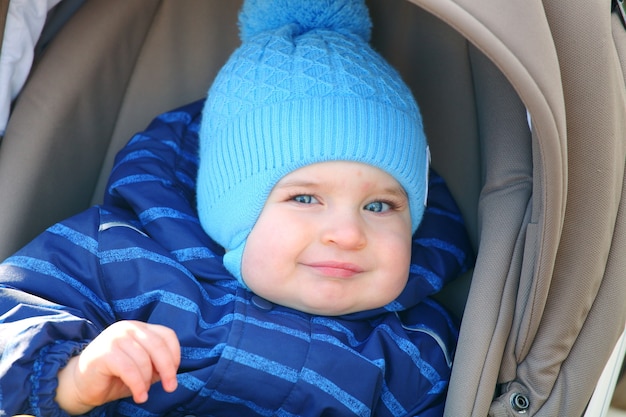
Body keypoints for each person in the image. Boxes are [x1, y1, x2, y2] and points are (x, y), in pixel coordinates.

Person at [0, 0, 473, 416]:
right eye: (305, 198)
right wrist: (74, 378)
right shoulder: (119, 259)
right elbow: (12, 316)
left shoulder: (417, 351)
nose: (348, 234)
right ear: (229, 208)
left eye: (380, 205)